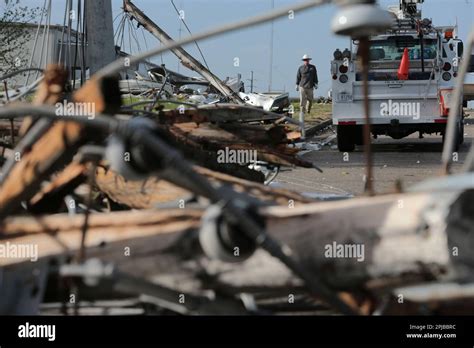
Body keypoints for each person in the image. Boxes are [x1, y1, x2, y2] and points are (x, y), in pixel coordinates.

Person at [296, 54, 318, 140]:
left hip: (310, 86)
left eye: (307, 60)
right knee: (302, 100)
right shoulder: (300, 68)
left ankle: (308, 109)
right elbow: (298, 76)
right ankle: (302, 112)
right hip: (302, 86)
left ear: (309, 60)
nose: (306, 61)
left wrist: (316, 83)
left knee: (310, 100)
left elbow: (315, 76)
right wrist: (297, 84)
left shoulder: (313, 67)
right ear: (303, 60)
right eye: (305, 60)